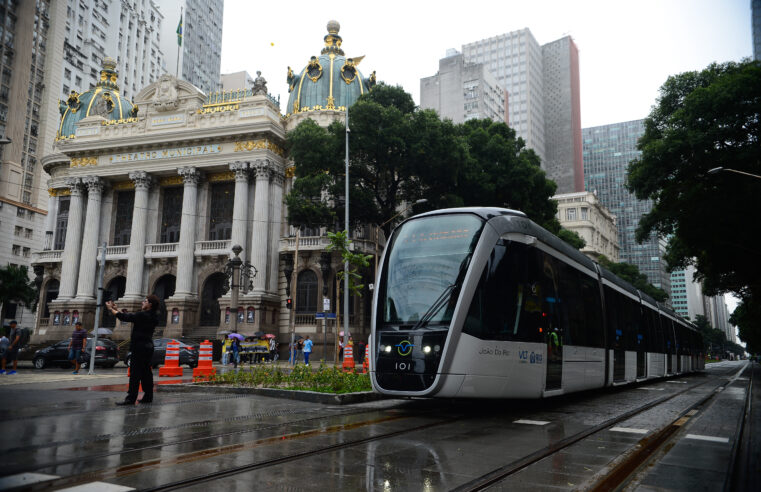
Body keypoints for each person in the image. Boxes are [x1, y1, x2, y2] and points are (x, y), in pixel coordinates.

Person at [106, 296, 159, 405]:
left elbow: (125, 317)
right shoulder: (154, 316)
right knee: (146, 373)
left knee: (135, 374)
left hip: (139, 347)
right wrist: (117, 310)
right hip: (148, 346)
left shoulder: (142, 315)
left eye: (145, 301)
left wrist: (111, 309)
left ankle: (131, 399)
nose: (142, 302)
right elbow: (128, 316)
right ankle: (148, 397)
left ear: (150, 305)